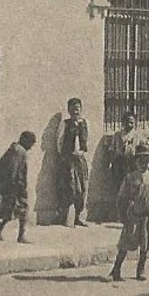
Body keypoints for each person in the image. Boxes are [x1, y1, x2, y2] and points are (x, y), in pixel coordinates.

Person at [109, 148, 149, 282]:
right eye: (141, 161)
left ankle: (141, 269)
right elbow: (121, 197)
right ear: (136, 162)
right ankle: (116, 269)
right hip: (133, 216)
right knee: (125, 243)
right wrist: (123, 215)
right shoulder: (130, 178)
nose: (144, 164)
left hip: (148, 217)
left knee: (145, 245)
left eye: (147, 161)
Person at [0, 130, 37, 243]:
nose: (31, 147)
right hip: (15, 186)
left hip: (11, 185)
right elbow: (13, 170)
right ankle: (20, 235)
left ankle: (0, 227)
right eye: (30, 143)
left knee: (13, 210)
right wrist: (17, 186)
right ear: (25, 140)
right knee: (21, 209)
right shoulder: (19, 151)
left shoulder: (15, 149)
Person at [104, 111, 149, 220]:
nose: (129, 125)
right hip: (120, 164)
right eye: (127, 122)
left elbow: (148, 145)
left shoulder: (138, 135)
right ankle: (120, 214)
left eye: (132, 122)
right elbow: (111, 150)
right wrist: (110, 162)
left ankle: (132, 213)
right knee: (120, 189)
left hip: (132, 164)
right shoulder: (117, 135)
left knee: (132, 189)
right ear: (123, 123)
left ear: (135, 123)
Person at [57, 97, 90, 227]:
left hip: (80, 159)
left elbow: (86, 140)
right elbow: (59, 142)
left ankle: (79, 217)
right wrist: (65, 155)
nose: (75, 112)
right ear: (69, 110)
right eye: (72, 109)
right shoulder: (65, 124)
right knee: (70, 188)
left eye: (77, 109)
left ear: (80, 110)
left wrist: (82, 152)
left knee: (82, 188)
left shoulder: (84, 123)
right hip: (69, 160)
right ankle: (67, 218)